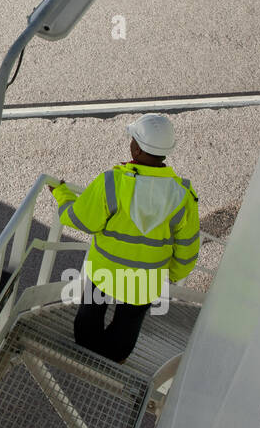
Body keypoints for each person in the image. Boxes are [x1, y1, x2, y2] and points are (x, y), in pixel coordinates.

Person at [47, 114, 200, 364]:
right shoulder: (183, 195)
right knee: (128, 322)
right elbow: (187, 245)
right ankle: (115, 359)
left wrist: (63, 196)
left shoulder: (112, 182)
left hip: (106, 271)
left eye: (132, 140)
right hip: (145, 279)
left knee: (91, 313)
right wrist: (174, 273)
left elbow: (83, 220)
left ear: (137, 150)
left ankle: (84, 352)